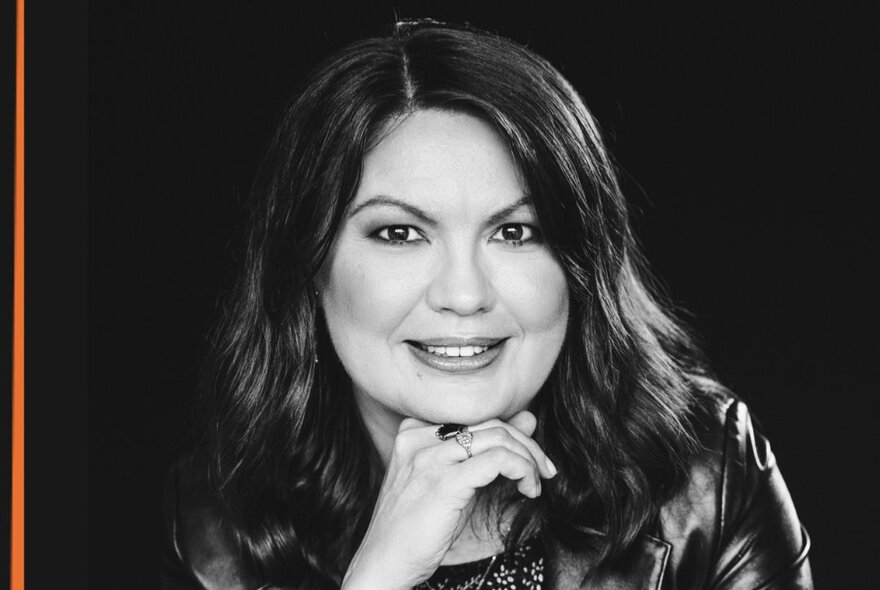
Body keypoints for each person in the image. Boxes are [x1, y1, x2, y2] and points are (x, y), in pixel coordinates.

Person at [161, 20, 812, 590]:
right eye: (400, 233)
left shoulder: (706, 477)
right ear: (309, 265)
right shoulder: (216, 528)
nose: (465, 295)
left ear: (578, 267)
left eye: (515, 232)